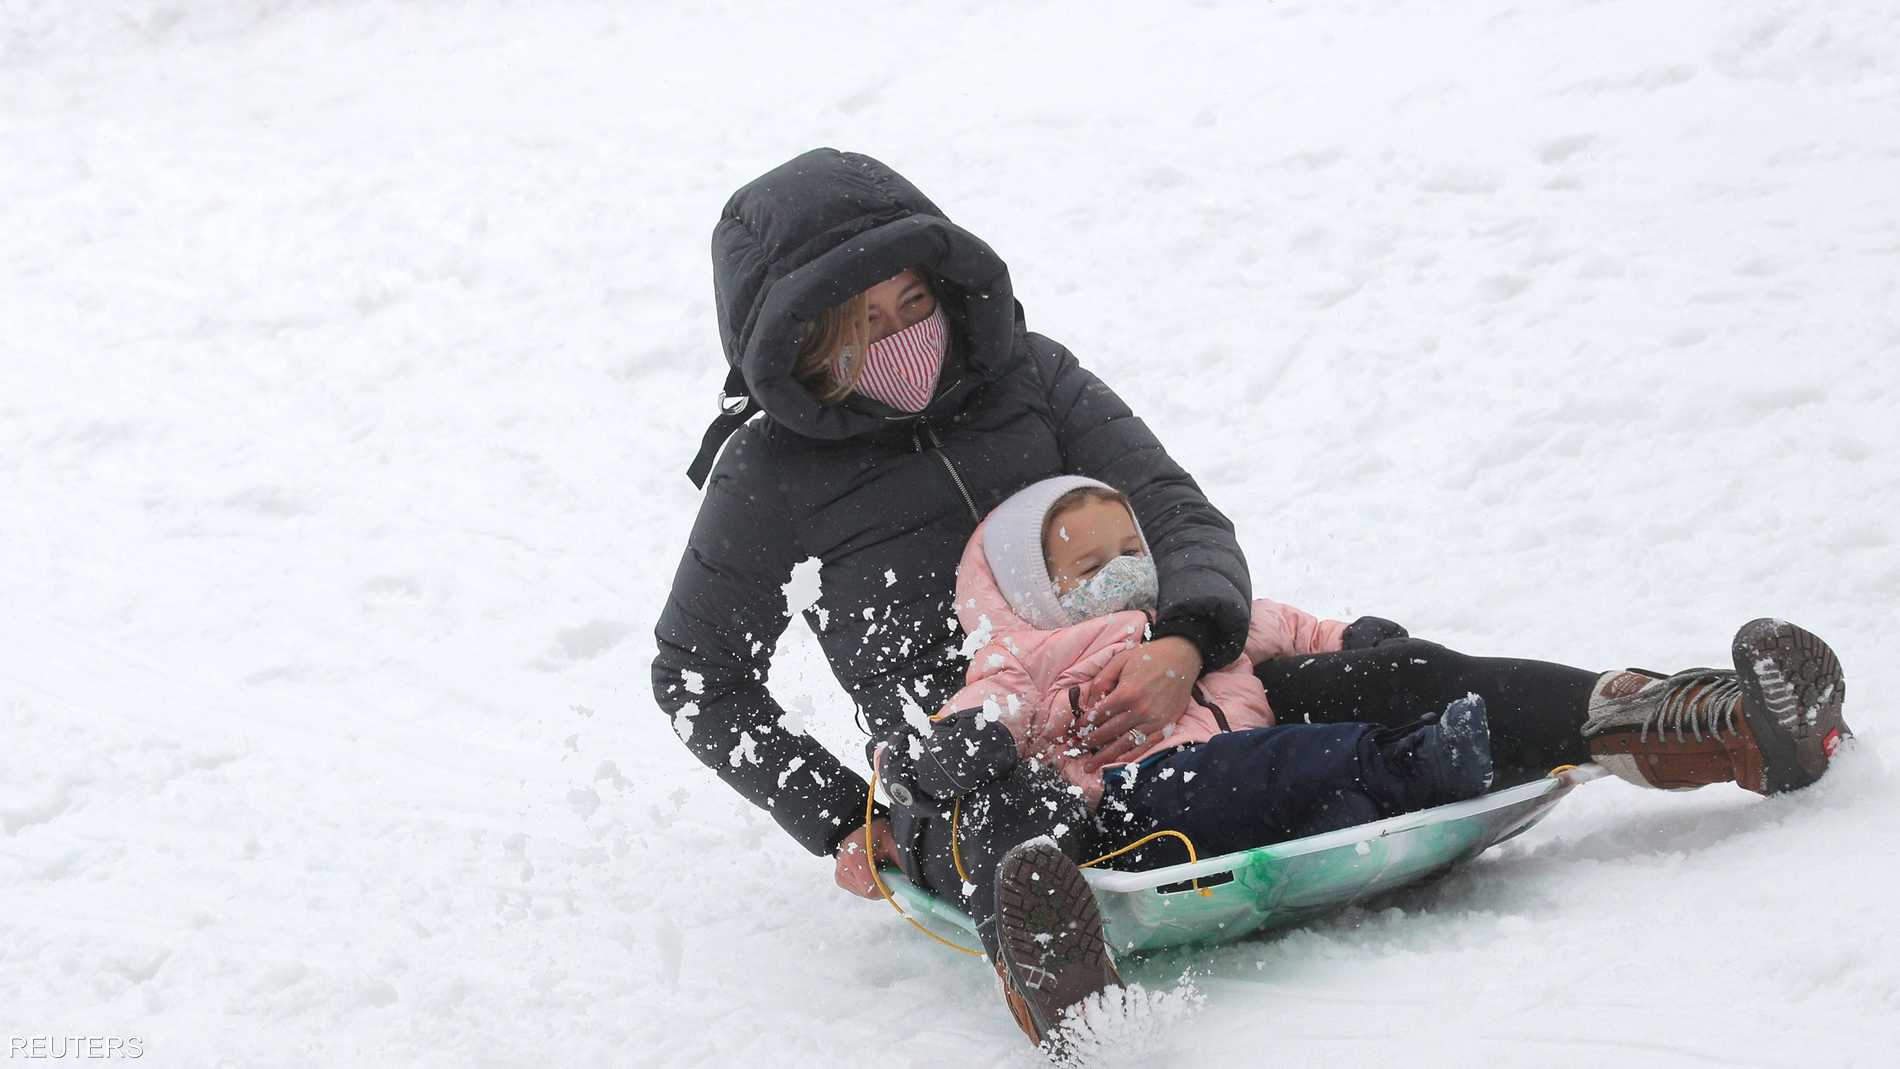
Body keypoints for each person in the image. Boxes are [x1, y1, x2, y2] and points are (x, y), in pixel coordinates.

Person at [652, 147, 1852, 1053]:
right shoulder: (769, 475)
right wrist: (845, 816)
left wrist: (1183, 643)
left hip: (1173, 682)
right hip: (983, 751)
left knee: (1401, 673)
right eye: (862, 328)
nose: (903, 338)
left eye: (913, 304)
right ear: (797, 348)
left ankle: (1688, 721)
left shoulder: (1030, 375)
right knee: (994, 814)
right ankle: (1059, 963)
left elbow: (1178, 516)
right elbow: (696, 674)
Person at [872, 475, 1498, 1046]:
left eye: (1130, 551)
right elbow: (989, 705)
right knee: (1275, 763)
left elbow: (1285, 627)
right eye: (1089, 567)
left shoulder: (1188, 621)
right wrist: (960, 742)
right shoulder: (1031, 655)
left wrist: (1351, 638)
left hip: (1230, 779)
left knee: (1315, 794)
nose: (1120, 571)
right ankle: (1415, 763)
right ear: (1035, 593)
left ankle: (1384, 813)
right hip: (1143, 796)